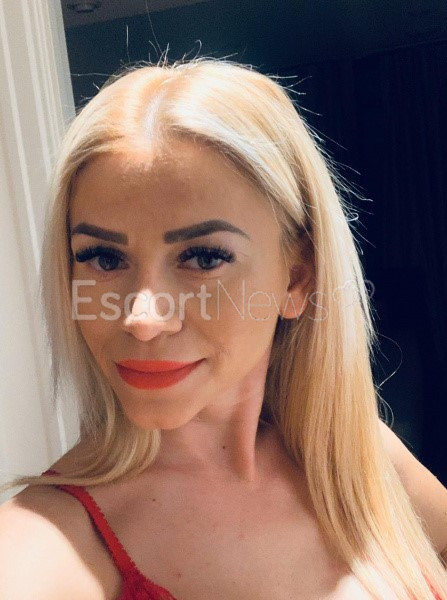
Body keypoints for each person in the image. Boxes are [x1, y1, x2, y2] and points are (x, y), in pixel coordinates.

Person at [0, 56, 446, 600]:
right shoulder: (45, 544)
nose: (142, 319)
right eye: (103, 257)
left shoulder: (357, 463)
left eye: (204, 257)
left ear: (297, 278)